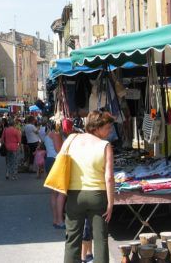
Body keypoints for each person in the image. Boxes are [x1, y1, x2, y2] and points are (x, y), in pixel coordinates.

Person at [64, 111, 115, 263]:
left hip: (75, 195)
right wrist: (111, 203)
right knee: (101, 239)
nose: (110, 131)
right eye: (107, 128)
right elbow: (109, 177)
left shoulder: (71, 139)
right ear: (96, 128)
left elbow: (61, 164)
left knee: (72, 239)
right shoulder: (105, 145)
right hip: (97, 196)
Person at [44, 122, 65, 229]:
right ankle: (60, 220)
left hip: (49, 160)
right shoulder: (56, 134)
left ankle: (56, 219)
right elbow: (59, 150)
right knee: (61, 192)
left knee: (54, 193)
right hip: (56, 161)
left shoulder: (48, 133)